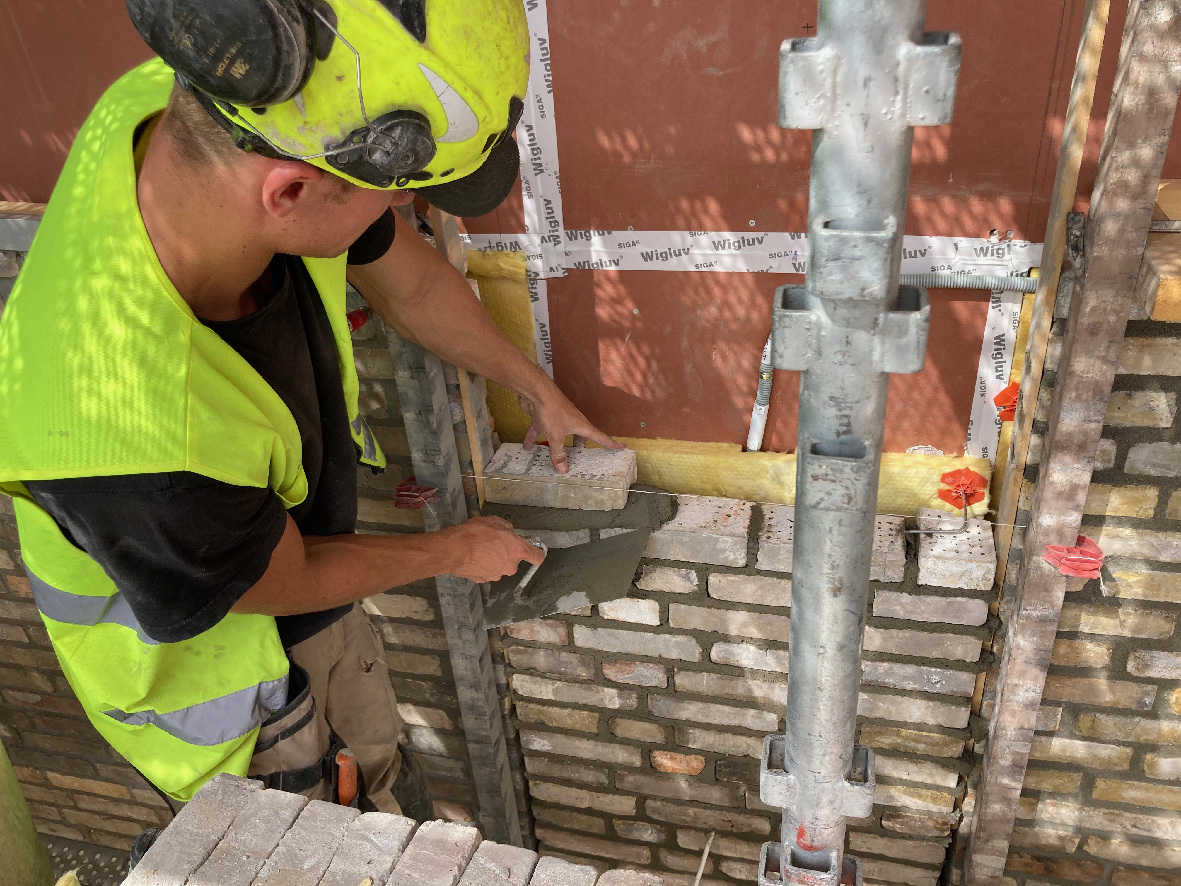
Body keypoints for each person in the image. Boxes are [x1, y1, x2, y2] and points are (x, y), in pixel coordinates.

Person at [0, 0, 620, 816]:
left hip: (296, 591)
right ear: (290, 192)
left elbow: (413, 281)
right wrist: (453, 551)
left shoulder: (211, 111)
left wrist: (534, 387)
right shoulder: (121, 433)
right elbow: (273, 580)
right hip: (228, 712)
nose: (401, 212)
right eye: (394, 196)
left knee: (385, 783)